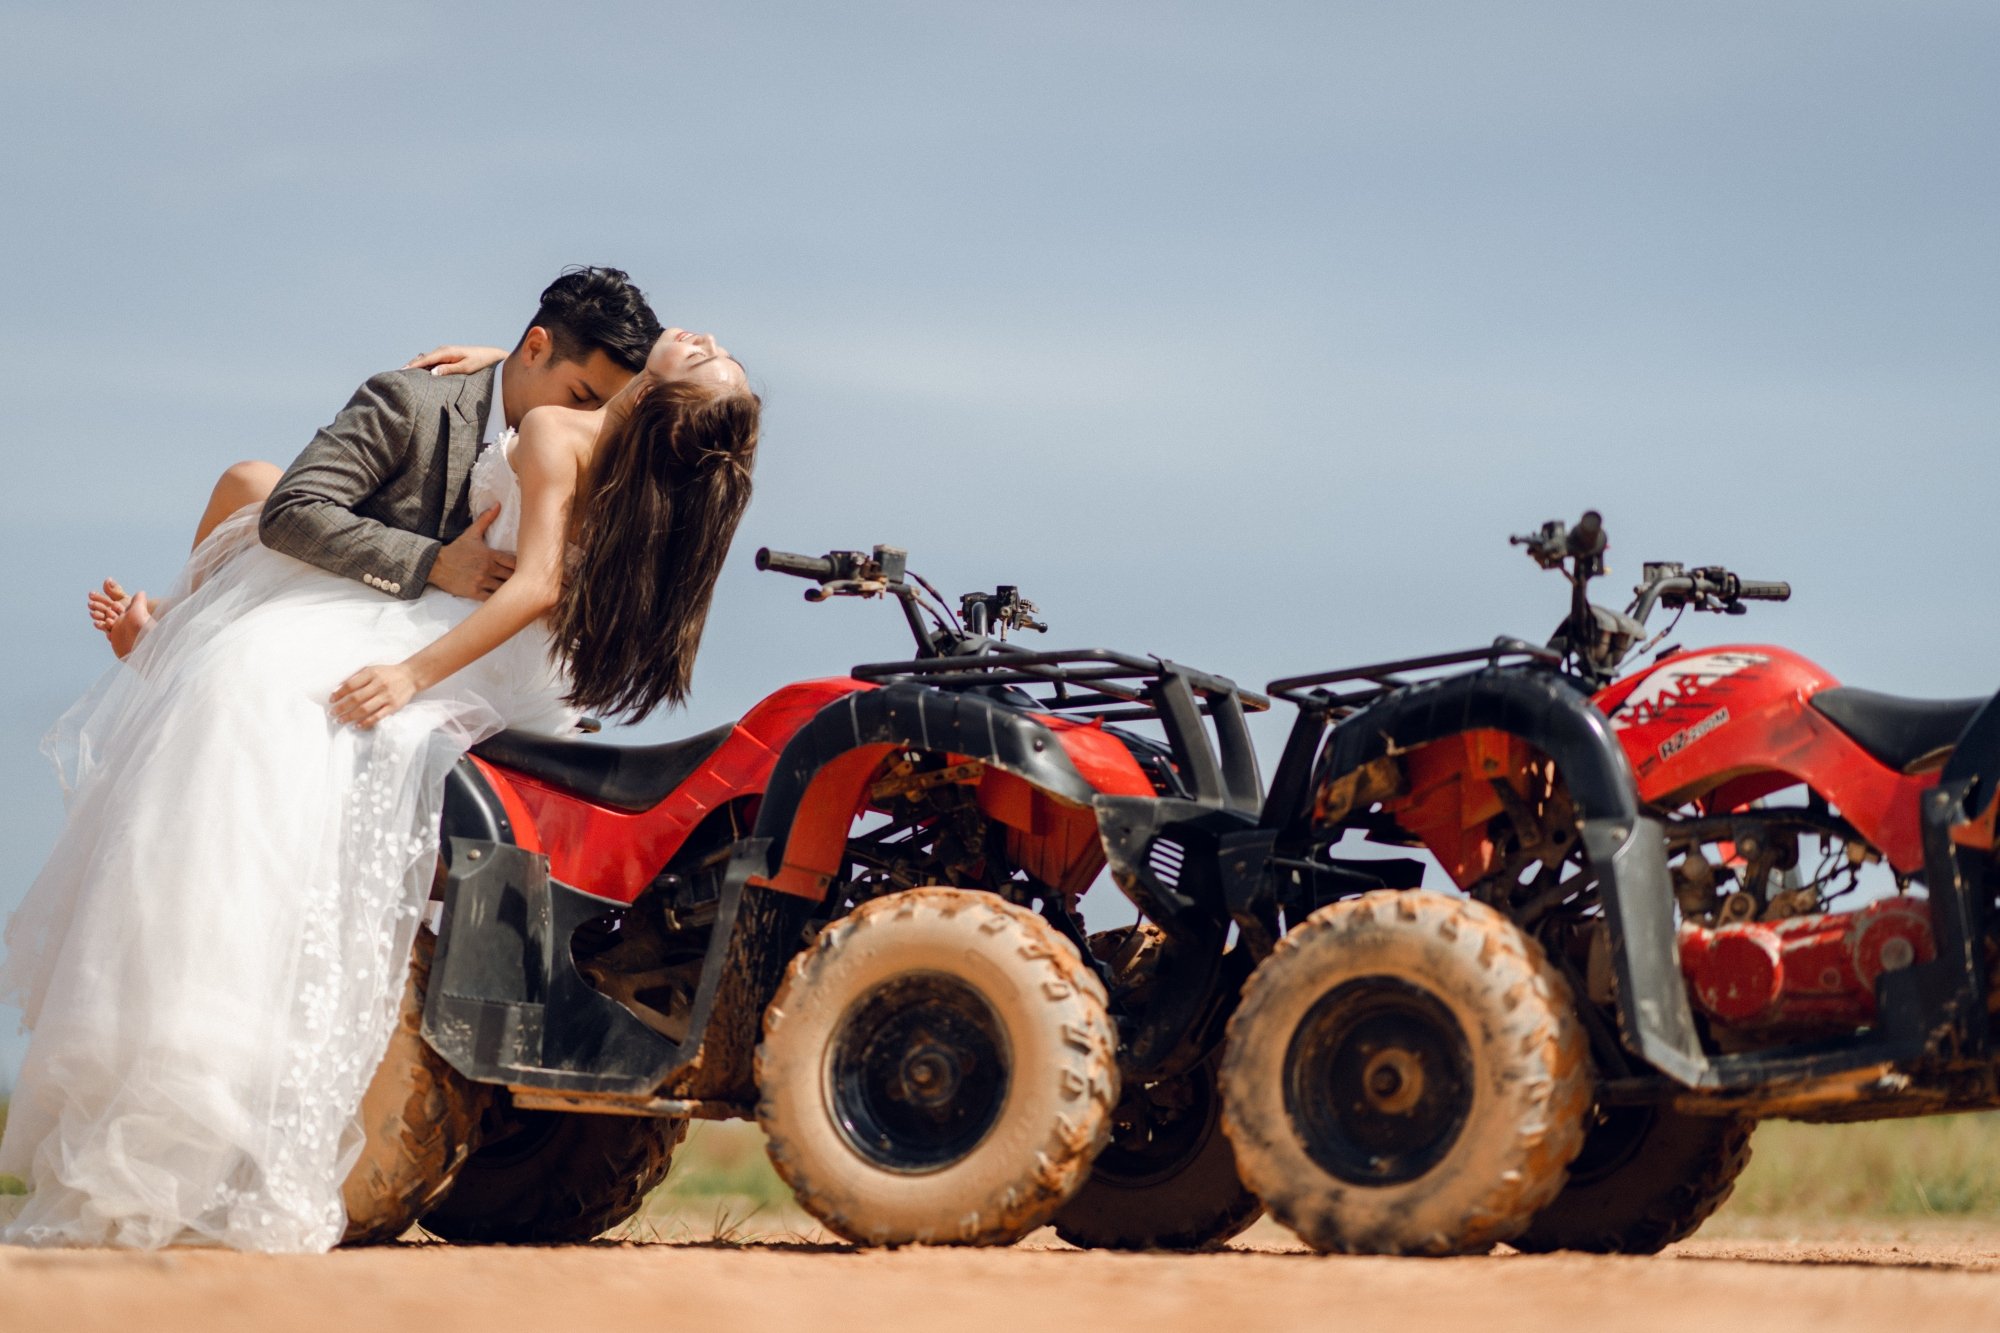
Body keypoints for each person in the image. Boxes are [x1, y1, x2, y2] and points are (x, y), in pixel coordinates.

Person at [0, 296, 759, 1250]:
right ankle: (175, 652)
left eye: (710, 358)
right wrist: (504, 364)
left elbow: (539, 575)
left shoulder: (570, 427)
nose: (712, 338)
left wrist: (410, 672)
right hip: (540, 661)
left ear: (654, 396)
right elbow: (576, 435)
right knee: (259, 574)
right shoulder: (656, 455)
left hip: (484, 626)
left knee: (258, 683)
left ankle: (176, 661)